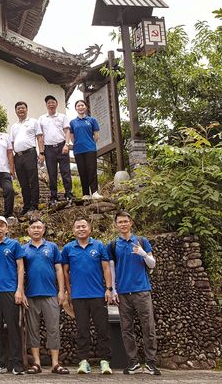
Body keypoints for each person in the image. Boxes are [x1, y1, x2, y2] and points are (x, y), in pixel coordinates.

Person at [109, 211, 160, 376]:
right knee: (126, 329)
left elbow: (152, 264)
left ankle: (151, 363)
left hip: (142, 290)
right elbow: (112, 269)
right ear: (116, 225)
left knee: (148, 327)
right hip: (123, 292)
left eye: (125, 221)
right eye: (120, 222)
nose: (123, 224)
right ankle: (133, 363)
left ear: (131, 223)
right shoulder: (113, 245)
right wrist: (113, 289)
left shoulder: (141, 241)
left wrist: (143, 253)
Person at [61, 218, 113, 375]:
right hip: (78, 296)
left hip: (98, 294)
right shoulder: (68, 248)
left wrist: (108, 289)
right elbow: (65, 272)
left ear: (89, 229)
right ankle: (83, 362)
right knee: (82, 330)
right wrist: (69, 291)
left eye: (83, 226)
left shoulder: (99, 246)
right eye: (78, 227)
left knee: (102, 329)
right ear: (73, 230)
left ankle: (105, 362)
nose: (81, 229)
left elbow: (106, 268)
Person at [22, 219, 68, 375]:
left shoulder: (52, 247)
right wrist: (21, 292)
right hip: (30, 294)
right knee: (32, 329)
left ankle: (55, 363)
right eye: (33, 227)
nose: (36, 230)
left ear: (43, 230)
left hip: (50, 294)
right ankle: (36, 363)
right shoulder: (23, 249)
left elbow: (59, 270)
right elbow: (20, 272)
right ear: (28, 230)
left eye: (39, 227)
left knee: (53, 328)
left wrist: (61, 291)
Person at [0, 215, 26, 375]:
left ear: (7, 228)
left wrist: (19, 289)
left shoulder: (14, 245)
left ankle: (16, 363)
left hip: (10, 291)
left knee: (14, 328)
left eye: (2, 225)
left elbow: (20, 267)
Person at [37, 95, 74, 205]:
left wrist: (67, 144)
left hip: (62, 146)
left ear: (56, 104)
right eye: (49, 103)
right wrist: (41, 152)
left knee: (65, 171)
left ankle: (68, 194)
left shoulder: (62, 117)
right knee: (52, 173)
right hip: (49, 148)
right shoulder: (42, 119)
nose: (51, 104)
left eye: (53, 102)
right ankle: (53, 196)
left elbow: (67, 131)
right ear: (46, 105)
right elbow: (40, 136)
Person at [10, 101, 43, 214]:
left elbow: (39, 138)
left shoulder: (33, 122)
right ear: (16, 111)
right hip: (18, 156)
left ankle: (34, 204)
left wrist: (41, 153)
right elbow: (12, 142)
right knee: (23, 182)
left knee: (33, 180)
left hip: (30, 153)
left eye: (22, 108)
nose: (21, 110)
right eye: (18, 108)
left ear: (26, 109)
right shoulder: (14, 126)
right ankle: (26, 205)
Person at [70, 99, 102, 200]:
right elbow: (72, 137)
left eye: (82, 105)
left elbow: (96, 136)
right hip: (78, 150)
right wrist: (78, 143)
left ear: (86, 107)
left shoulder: (92, 120)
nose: (80, 107)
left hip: (90, 149)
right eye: (78, 106)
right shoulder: (72, 122)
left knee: (92, 170)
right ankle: (86, 194)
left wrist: (90, 143)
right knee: (82, 171)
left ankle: (94, 192)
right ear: (76, 108)